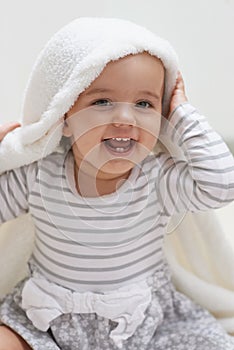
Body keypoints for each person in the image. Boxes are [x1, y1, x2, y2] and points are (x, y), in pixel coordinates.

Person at [0, 17, 234, 350]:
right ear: (64, 118)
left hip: (144, 324)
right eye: (102, 102)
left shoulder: (157, 179)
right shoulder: (39, 176)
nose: (125, 118)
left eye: (144, 104)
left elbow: (222, 185)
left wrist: (182, 115)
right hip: (45, 320)